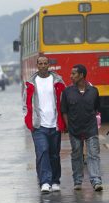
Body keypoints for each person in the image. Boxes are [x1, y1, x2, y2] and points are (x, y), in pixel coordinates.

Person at [23, 56, 66, 193]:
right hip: (39, 125)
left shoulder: (58, 81)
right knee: (42, 151)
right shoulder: (31, 83)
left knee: (54, 154)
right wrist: (29, 121)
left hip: (55, 124)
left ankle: (55, 180)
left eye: (45, 63)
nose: (42, 66)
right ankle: (45, 182)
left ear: (49, 65)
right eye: (40, 63)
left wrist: (64, 121)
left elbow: (64, 102)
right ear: (37, 65)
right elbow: (25, 104)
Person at [61, 64, 103, 191]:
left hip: (91, 129)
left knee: (93, 154)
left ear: (81, 75)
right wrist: (69, 127)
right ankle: (78, 181)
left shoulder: (93, 91)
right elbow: (64, 111)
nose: (71, 76)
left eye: (74, 74)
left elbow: (96, 108)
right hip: (74, 130)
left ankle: (96, 181)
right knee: (77, 155)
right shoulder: (67, 92)